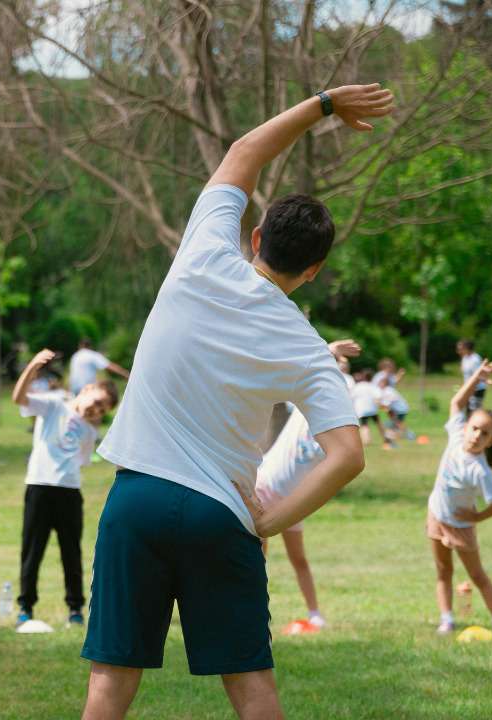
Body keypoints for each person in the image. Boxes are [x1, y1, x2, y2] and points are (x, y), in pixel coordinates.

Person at [81, 84, 390, 720]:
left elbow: (245, 149)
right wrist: (271, 520)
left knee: (110, 685)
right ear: (314, 271)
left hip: (136, 500)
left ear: (254, 239)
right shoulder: (306, 346)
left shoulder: (202, 254)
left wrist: (325, 104)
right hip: (221, 515)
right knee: (252, 688)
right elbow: (347, 454)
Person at [253, 340, 359, 632]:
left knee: (298, 558)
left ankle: (315, 614)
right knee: (255, 558)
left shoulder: (338, 428)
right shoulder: (304, 404)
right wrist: (330, 349)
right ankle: (255, 615)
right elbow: (304, 365)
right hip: (265, 487)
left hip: (296, 499)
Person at [11, 349, 118, 628]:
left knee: (71, 552)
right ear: (87, 389)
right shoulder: (54, 405)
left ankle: (75, 609)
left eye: (103, 410)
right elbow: (18, 399)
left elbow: (80, 461)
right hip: (39, 486)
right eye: (98, 401)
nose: (97, 409)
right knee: (32, 549)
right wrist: (33, 366)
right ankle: (26, 606)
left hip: (69, 492)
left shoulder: (90, 431)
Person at [428, 359, 492, 635]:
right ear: (465, 428)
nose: (476, 435)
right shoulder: (455, 437)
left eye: (485, 433)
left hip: (461, 525)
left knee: (477, 575)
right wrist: (477, 376)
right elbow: (456, 402)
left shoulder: (481, 470)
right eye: (474, 428)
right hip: (437, 514)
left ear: (491, 442)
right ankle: (446, 619)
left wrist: (477, 517)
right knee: (443, 570)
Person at [350, 369, 392, 449]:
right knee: (379, 423)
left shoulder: (357, 386)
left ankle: (367, 441)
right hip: (372, 408)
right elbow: (378, 397)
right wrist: (383, 406)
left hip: (361, 409)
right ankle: (386, 438)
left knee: (364, 425)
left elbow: (351, 397)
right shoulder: (373, 386)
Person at [377, 374, 415, 441]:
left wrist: (378, 404)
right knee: (396, 423)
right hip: (399, 409)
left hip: (401, 409)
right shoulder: (386, 390)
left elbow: (387, 404)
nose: (379, 384)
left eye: (380, 383)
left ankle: (410, 436)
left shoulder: (388, 391)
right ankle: (399, 436)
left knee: (398, 423)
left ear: (384, 384)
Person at [457, 340, 486, 417]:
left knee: (474, 412)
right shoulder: (465, 358)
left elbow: (478, 376)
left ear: (467, 348)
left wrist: (471, 389)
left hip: (477, 389)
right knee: (467, 411)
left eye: (460, 349)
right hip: (468, 388)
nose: (458, 351)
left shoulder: (475, 359)